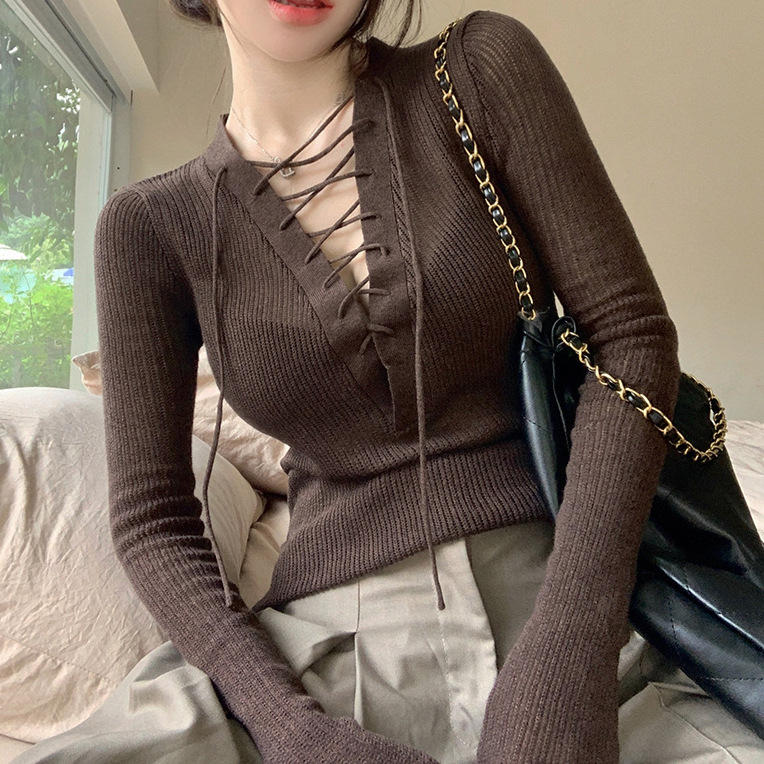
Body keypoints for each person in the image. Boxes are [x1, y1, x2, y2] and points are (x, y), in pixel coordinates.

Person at [16, 1, 764, 762]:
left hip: (570, 599)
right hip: (317, 655)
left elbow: (629, 337)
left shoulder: (479, 71)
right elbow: (152, 520)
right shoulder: (148, 227)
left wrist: (570, 656)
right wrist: (294, 732)